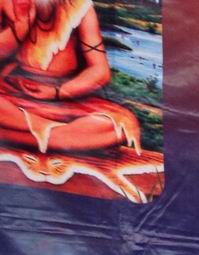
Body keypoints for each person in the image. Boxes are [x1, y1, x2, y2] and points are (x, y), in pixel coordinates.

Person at [0, 0, 140, 153]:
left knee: (115, 127)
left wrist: (57, 92)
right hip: (14, 92)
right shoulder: (10, 3)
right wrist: (22, 25)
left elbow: (100, 71)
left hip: (61, 99)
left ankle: (19, 136)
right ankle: (44, 130)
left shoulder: (79, 8)